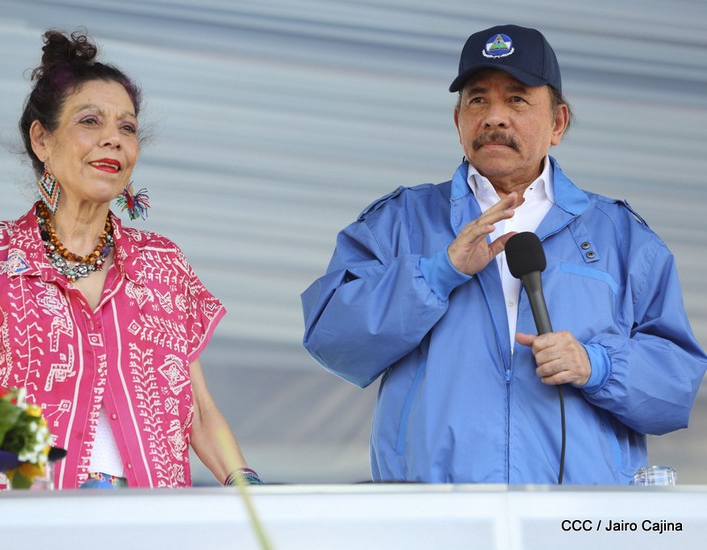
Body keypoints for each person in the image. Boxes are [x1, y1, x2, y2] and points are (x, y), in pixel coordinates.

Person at [301, 24, 707, 484]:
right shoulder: (397, 223)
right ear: (458, 122)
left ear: (558, 123)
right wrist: (438, 273)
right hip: (433, 509)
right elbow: (332, 340)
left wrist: (598, 365)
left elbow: (676, 388)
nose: (494, 117)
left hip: (580, 512)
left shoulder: (622, 237)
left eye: (516, 99)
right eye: (478, 100)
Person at [0, 29, 261, 489]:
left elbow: (200, 412)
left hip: (153, 517)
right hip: (22, 514)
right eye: (90, 121)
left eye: (127, 128)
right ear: (42, 140)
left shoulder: (163, 264)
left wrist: (249, 491)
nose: (113, 139)